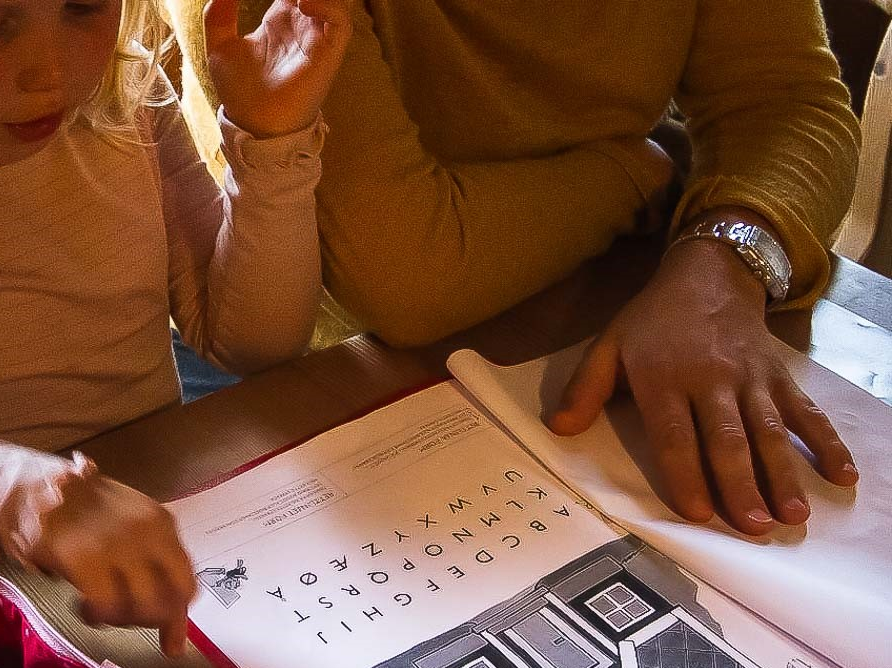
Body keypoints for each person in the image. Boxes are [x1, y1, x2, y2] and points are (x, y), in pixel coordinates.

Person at [181, 0, 862, 536]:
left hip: (596, 295)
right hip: (322, 372)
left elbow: (783, 98)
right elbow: (410, 279)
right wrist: (643, 173)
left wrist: (723, 260)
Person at [0, 0, 352, 655]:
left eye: (85, 7)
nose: (50, 74)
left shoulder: (125, 90)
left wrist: (271, 142)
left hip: (157, 552)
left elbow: (250, 343)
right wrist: (7, 495)